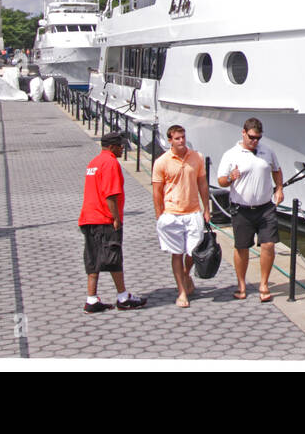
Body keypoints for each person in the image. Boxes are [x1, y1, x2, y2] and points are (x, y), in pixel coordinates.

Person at [216, 117, 284, 302]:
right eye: (252, 137)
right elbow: (221, 180)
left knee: (269, 245)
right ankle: (241, 285)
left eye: (258, 138)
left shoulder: (267, 151)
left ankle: (264, 284)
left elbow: (276, 170)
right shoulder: (231, 154)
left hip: (265, 208)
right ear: (243, 133)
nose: (255, 141)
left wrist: (279, 188)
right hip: (242, 209)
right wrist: (231, 177)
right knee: (241, 247)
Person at [78, 131, 146, 313]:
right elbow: (111, 194)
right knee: (114, 257)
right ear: (111, 147)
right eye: (120, 145)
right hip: (104, 218)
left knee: (93, 259)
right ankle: (123, 297)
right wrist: (115, 217)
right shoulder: (110, 163)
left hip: (88, 218)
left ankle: (91, 299)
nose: (122, 148)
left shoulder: (94, 163)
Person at [152, 124, 209, 308]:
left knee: (193, 251)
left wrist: (206, 208)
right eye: (177, 138)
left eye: (183, 137)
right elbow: (157, 191)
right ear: (170, 140)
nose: (181, 141)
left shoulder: (196, 157)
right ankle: (182, 292)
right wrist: (159, 215)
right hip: (172, 213)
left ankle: (186, 273)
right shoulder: (162, 161)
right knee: (177, 253)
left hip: (193, 211)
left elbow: (202, 184)